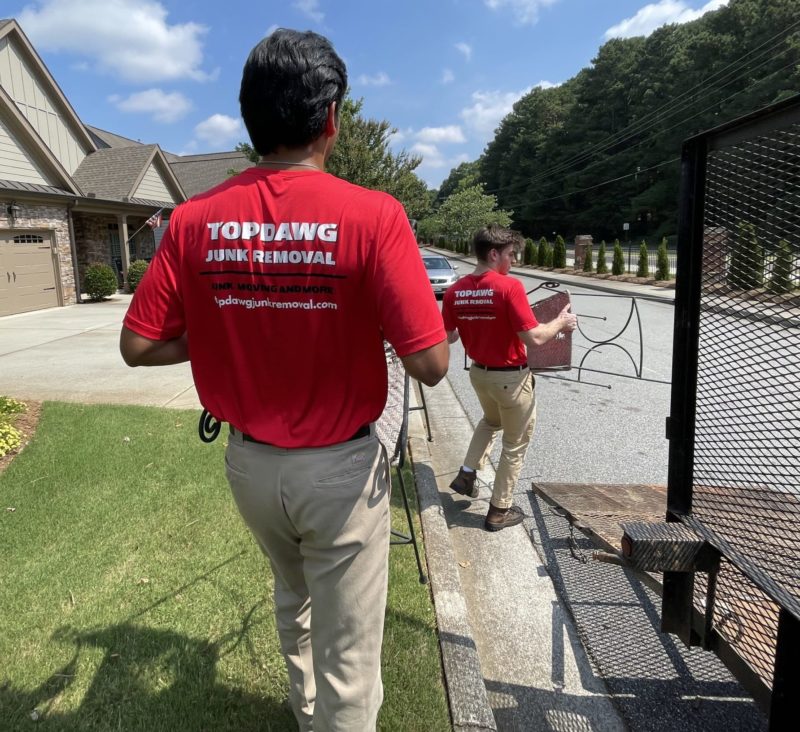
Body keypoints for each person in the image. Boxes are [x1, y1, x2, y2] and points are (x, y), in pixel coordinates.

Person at [119, 28, 448, 732]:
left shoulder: (192, 220)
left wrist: (217, 330)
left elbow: (140, 345)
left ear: (248, 118)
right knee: (351, 657)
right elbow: (430, 364)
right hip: (340, 468)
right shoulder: (375, 216)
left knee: (291, 591)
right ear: (332, 119)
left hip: (250, 469)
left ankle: (304, 710)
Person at [441, 226, 576, 532]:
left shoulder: (454, 291)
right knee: (515, 446)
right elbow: (535, 337)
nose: (513, 261)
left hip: (479, 375)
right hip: (511, 380)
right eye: (511, 254)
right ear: (493, 254)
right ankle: (499, 510)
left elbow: (448, 337)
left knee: (491, 422)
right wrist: (561, 322)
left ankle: (466, 473)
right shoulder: (508, 287)